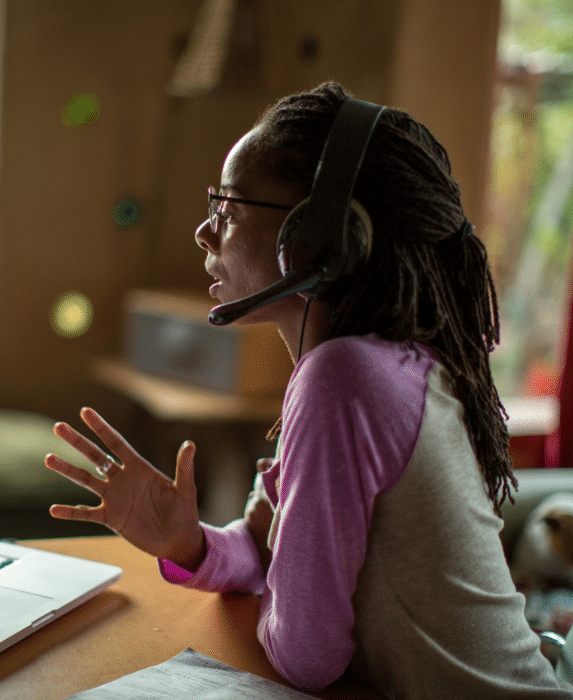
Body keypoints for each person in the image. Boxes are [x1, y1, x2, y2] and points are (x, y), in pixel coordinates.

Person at [44, 83, 571, 698]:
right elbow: (275, 552)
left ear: (322, 237)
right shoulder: (395, 362)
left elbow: (306, 655)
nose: (203, 233)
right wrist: (188, 543)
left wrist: (277, 569)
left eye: (229, 208)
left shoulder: (344, 380)